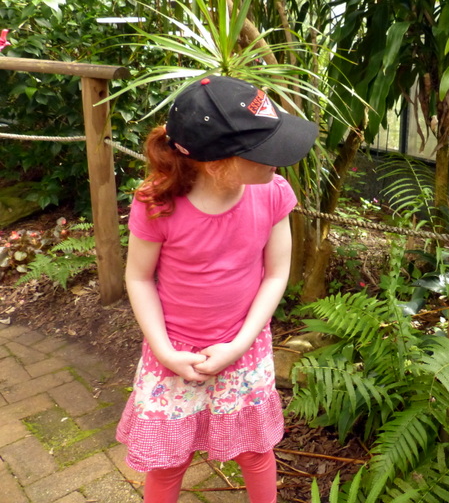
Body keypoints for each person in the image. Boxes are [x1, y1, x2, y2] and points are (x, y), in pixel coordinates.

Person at [116, 75, 318, 502]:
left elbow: (275, 273)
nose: (278, 163)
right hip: (174, 353)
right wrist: (166, 352)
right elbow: (138, 277)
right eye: (264, 153)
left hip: (245, 351)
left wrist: (241, 345)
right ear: (216, 162)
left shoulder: (272, 193)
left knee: (256, 453)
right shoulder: (158, 203)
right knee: (168, 461)